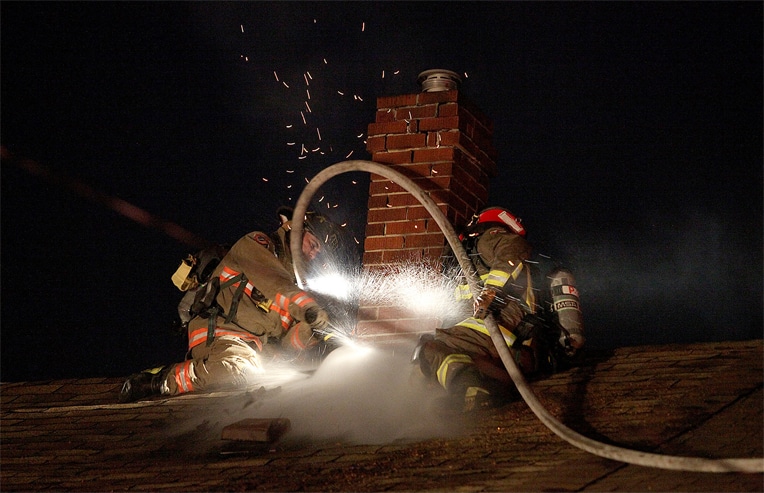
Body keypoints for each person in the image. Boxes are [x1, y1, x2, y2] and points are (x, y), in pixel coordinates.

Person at [119, 207, 340, 403]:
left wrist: (313, 331)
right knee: (240, 372)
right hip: (220, 333)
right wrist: (310, 309)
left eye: (318, 252)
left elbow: (286, 343)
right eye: (314, 244)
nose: (314, 254)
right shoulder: (257, 244)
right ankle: (159, 380)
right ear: (296, 230)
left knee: (280, 383)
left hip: (253, 350)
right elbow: (275, 283)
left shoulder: (294, 287)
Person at [412, 206, 585, 412]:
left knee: (431, 348)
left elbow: (513, 247)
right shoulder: (471, 266)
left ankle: (468, 390)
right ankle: (474, 394)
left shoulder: (489, 238)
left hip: (501, 335)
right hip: (513, 354)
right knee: (427, 364)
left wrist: (490, 292)